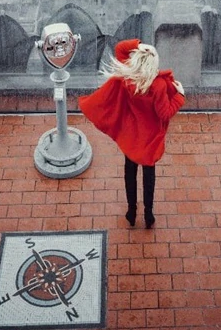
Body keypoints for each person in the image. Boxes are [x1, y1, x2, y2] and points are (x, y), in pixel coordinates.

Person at [79, 39, 185, 228]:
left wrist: (138, 45)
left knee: (130, 172)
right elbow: (165, 112)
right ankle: (148, 214)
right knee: (148, 176)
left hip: (131, 135)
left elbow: (120, 48)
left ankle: (131, 211)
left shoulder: (127, 77)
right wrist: (180, 97)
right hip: (150, 138)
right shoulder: (158, 86)